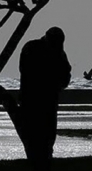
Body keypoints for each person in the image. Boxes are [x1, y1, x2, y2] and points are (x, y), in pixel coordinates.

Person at [18, 26, 72, 171]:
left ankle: (43, 160)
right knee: (37, 135)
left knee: (45, 136)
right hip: (35, 100)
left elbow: (65, 76)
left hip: (44, 100)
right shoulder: (33, 48)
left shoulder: (54, 52)